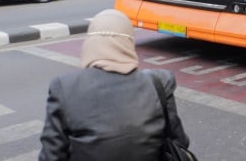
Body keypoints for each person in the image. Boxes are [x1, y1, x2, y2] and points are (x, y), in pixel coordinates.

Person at [39, 9, 190, 161]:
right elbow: (180, 142)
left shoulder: (65, 87)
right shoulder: (159, 84)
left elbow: (51, 155)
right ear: (128, 43)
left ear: (91, 43)